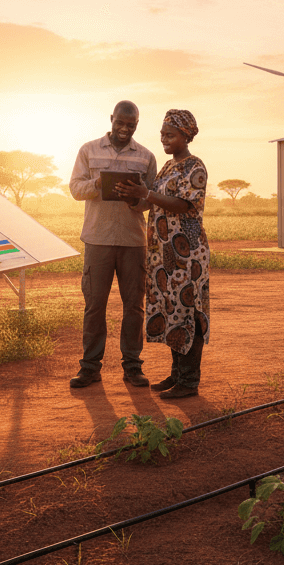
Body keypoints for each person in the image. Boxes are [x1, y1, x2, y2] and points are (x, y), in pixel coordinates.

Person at [114, 109, 209, 399]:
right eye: (162, 134)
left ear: (186, 136)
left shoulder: (195, 166)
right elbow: (153, 200)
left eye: (170, 135)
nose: (164, 139)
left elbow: (183, 204)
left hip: (187, 253)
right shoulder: (168, 166)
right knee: (172, 310)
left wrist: (145, 193)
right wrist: (131, 196)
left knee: (188, 311)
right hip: (164, 252)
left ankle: (189, 381)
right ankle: (177, 374)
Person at [67, 101, 158, 389]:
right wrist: (98, 183)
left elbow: (152, 198)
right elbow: (75, 189)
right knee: (95, 305)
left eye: (131, 125)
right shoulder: (88, 150)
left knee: (134, 307)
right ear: (111, 119)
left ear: (137, 125)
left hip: (133, 241)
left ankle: (132, 366)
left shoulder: (146, 156)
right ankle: (90, 367)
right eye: (120, 123)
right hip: (98, 240)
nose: (124, 129)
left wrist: (136, 198)